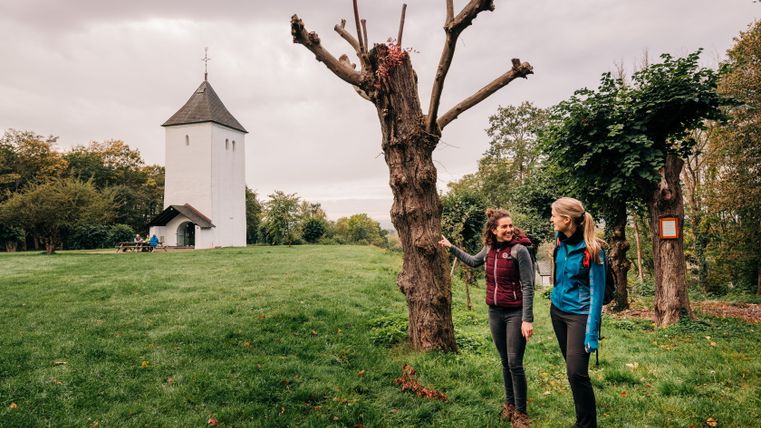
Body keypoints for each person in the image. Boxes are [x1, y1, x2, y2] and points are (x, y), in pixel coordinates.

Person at [439, 209, 534, 428]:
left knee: (514, 363)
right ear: (494, 230)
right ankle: (509, 404)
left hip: (515, 312)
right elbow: (473, 261)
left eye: (511, 226)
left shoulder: (520, 251)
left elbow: (528, 286)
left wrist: (527, 319)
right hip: (494, 312)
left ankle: (521, 413)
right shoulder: (490, 248)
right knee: (504, 361)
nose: (509, 229)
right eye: (504, 227)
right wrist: (451, 247)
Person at [549, 197, 606, 428]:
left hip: (579, 316)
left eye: (554, 215)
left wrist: (591, 334)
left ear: (566, 219)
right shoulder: (560, 240)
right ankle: (582, 420)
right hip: (557, 312)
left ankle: (586, 424)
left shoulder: (594, 250)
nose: (551, 219)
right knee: (573, 372)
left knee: (577, 373)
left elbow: (597, 294)